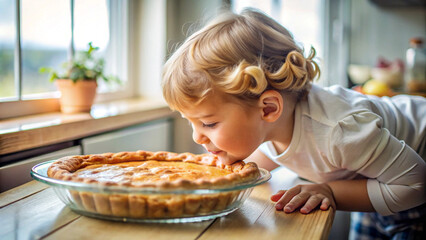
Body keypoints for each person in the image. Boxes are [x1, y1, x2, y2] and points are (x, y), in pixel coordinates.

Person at [161, 8, 426, 239]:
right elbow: (265, 157)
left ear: (268, 108)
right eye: (191, 123)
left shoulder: (338, 132)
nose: (197, 137)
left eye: (208, 123)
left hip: (409, 186)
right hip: (376, 180)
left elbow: (416, 185)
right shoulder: (273, 125)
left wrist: (330, 192)